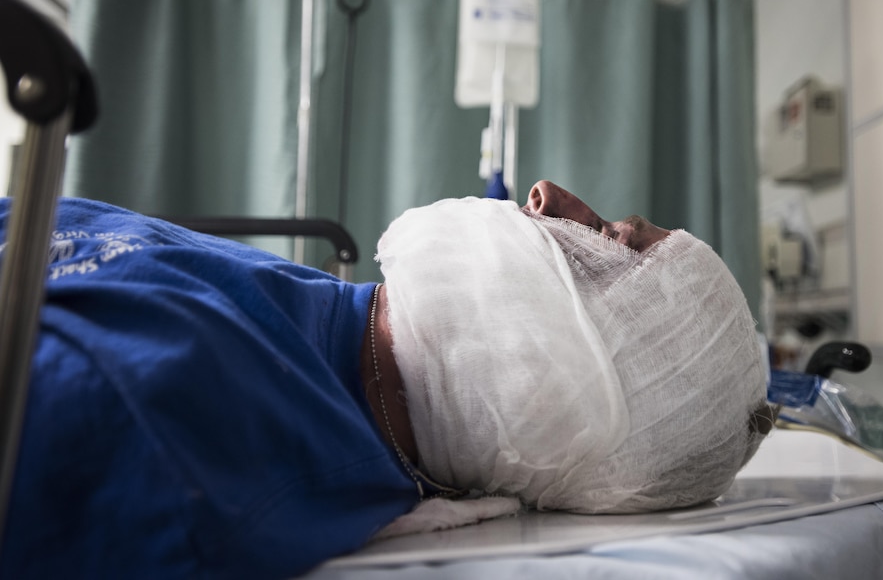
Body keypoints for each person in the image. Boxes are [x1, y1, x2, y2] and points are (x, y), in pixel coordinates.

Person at [0, 181, 771, 579]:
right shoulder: (309, 314)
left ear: (573, 394)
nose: (547, 198)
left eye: (607, 240)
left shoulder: (152, 429)